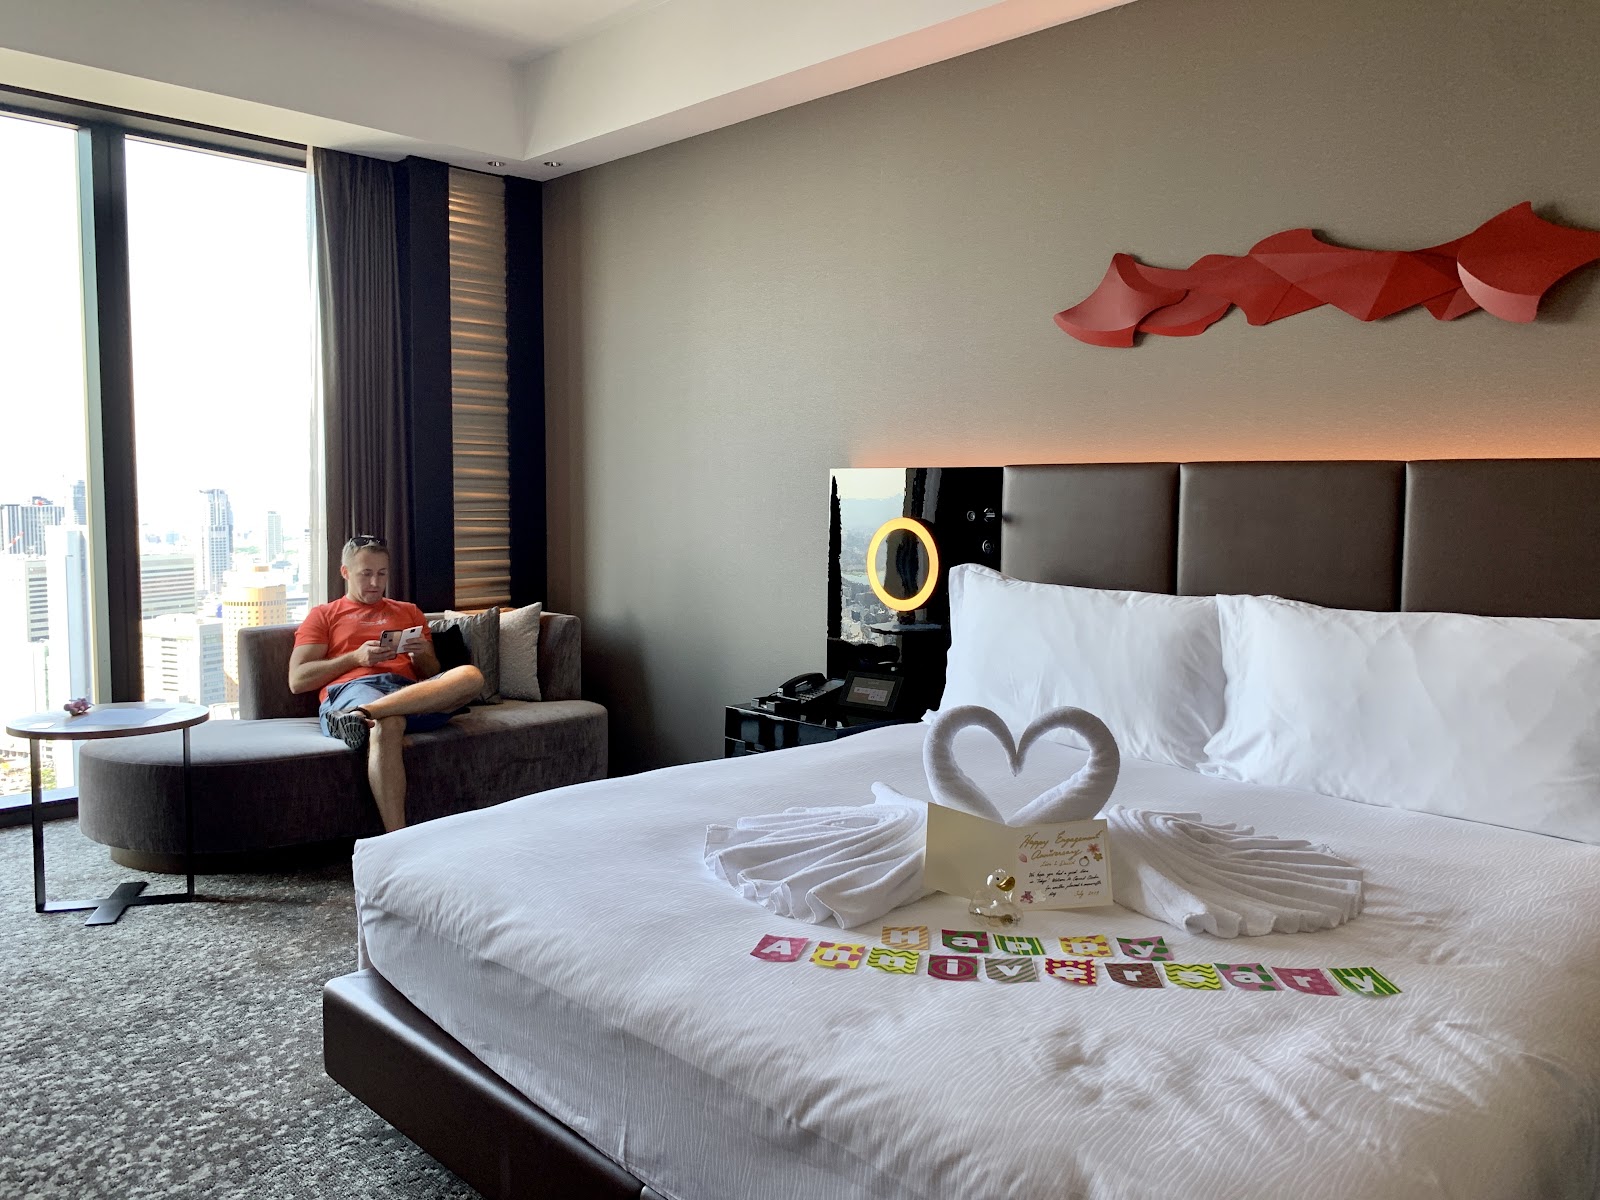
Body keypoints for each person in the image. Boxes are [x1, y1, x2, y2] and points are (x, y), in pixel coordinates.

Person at [288, 534, 483, 832]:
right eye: (366, 574)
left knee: (471, 676)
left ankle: (362, 715)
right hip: (353, 689)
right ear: (345, 572)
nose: (375, 583)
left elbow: (430, 673)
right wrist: (355, 658)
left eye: (382, 574)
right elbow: (297, 680)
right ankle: (397, 839)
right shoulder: (324, 615)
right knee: (389, 723)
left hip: (408, 693)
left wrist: (422, 654)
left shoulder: (408, 612)